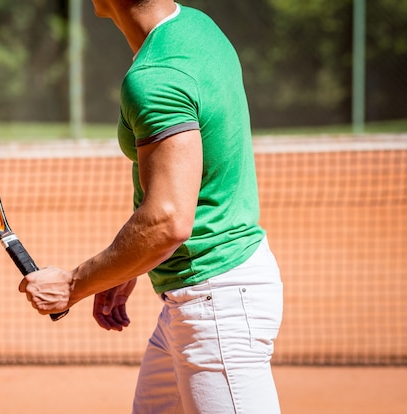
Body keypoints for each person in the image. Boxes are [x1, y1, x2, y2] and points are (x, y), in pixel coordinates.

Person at [19, 1, 283, 412]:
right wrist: (131, 264)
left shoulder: (155, 76)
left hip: (215, 307)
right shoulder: (197, 28)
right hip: (203, 293)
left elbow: (167, 220)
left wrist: (74, 284)